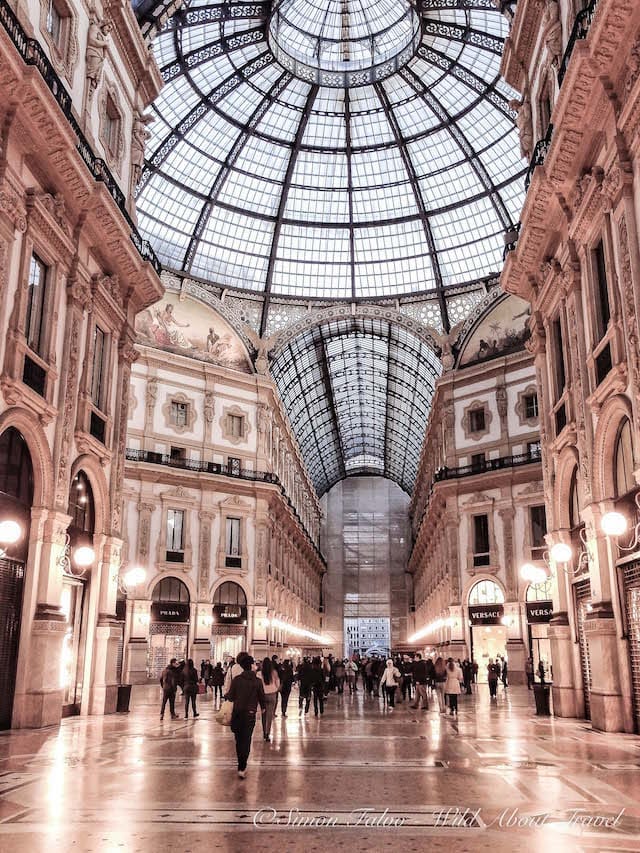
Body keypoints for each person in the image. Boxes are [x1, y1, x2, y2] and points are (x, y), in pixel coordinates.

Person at [226, 655, 266, 779]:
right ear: (251, 665)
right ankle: (243, 767)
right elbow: (261, 697)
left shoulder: (237, 680)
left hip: (237, 713)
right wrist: (263, 708)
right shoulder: (257, 681)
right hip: (250, 714)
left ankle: (240, 765)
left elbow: (231, 697)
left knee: (239, 740)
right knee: (247, 739)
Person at [257, 657, 280, 741]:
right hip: (272, 694)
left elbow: (258, 685)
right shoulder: (274, 672)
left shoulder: (259, 673)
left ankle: (264, 732)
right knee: (269, 715)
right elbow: (278, 683)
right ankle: (267, 733)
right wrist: (275, 689)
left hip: (263, 695)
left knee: (263, 714)